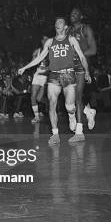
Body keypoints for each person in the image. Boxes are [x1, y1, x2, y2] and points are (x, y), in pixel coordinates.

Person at [19, 17, 91, 145]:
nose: (57, 24)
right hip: (54, 77)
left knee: (70, 107)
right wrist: (25, 67)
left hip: (68, 75)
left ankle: (71, 116)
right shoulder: (50, 42)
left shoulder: (71, 39)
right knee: (52, 104)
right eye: (56, 23)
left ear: (65, 27)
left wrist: (87, 72)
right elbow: (39, 58)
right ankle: (55, 134)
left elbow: (81, 56)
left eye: (60, 23)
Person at [68, 8, 98, 133]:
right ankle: (88, 111)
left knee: (77, 96)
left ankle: (78, 127)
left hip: (82, 66)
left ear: (81, 16)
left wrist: (79, 55)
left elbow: (93, 50)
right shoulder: (68, 30)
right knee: (70, 96)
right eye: (71, 13)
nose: (72, 15)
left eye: (75, 13)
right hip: (69, 66)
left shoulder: (86, 29)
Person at [30, 35, 49, 123]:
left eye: (47, 39)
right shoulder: (38, 50)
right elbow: (33, 63)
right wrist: (33, 57)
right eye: (44, 39)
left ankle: (51, 106)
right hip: (38, 75)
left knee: (39, 99)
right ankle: (36, 117)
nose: (45, 41)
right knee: (33, 97)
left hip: (46, 76)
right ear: (41, 41)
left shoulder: (52, 51)